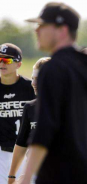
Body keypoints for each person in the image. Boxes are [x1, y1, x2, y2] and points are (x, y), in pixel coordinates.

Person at [21, 2, 87, 183]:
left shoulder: (53, 68)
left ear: (62, 30)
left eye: (42, 25)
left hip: (63, 174)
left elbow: (44, 129)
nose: (36, 31)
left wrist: (26, 179)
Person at [7, 57, 50, 184]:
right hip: (33, 175)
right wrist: (12, 176)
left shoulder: (69, 106)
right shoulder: (30, 107)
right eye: (33, 78)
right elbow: (21, 143)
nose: (34, 83)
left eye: (39, 79)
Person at [0, 43, 35, 183]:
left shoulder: (31, 87)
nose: (2, 63)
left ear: (18, 64)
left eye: (7, 60)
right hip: (1, 153)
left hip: (26, 153)